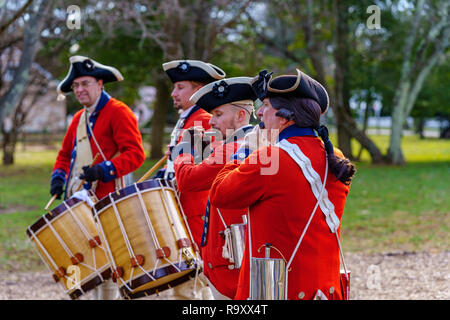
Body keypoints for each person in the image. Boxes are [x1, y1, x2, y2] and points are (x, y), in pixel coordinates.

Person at [209, 69, 356, 300]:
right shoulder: (334, 154)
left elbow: (220, 194)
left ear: (285, 116)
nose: (259, 113)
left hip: (278, 289)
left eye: (266, 105)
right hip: (325, 289)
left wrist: (245, 150)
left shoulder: (271, 159)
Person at [50, 55, 145, 299]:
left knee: (110, 266)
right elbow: (63, 155)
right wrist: (58, 178)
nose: (80, 90)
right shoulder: (78, 119)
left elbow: (136, 154)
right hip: (79, 203)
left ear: (100, 84)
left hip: (108, 201)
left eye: (85, 83)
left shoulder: (118, 111)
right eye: (76, 86)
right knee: (90, 264)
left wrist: (104, 170)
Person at [173, 77, 257, 299]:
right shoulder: (253, 143)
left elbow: (186, 179)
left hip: (229, 261)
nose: (211, 122)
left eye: (218, 114)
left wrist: (184, 150)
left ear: (240, 115)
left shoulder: (234, 148)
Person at [161, 59, 226, 249]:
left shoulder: (204, 119)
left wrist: (182, 153)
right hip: (184, 207)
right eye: (174, 88)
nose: (174, 93)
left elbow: (210, 161)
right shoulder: (188, 118)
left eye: (180, 87)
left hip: (196, 210)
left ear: (199, 90)